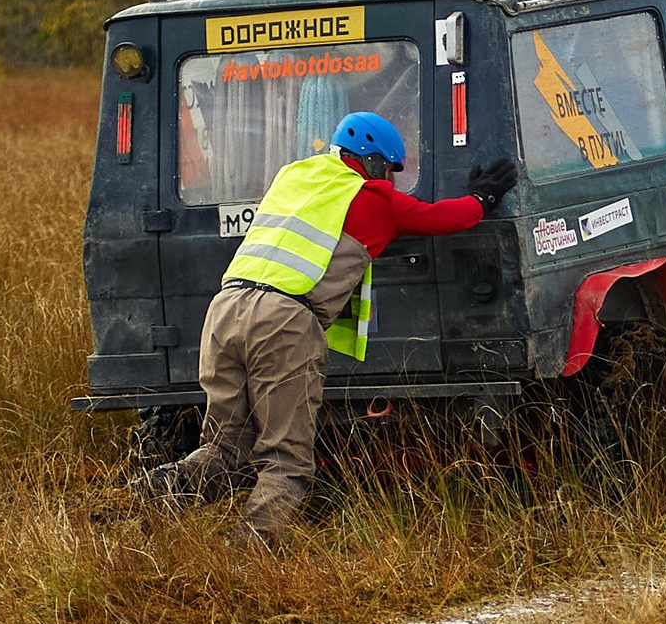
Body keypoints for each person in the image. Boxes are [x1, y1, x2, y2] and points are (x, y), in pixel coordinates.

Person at [138, 112, 520, 542]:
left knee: (225, 448)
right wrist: (482, 198)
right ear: (373, 162)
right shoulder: (372, 197)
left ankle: (141, 499)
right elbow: (443, 218)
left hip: (225, 310)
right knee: (286, 463)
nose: (391, 180)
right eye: (390, 170)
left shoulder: (292, 176)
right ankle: (246, 555)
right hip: (282, 322)